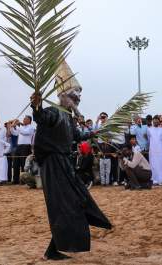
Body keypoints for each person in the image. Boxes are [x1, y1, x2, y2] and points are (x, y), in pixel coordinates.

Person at [30, 60, 111, 260]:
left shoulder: (68, 117)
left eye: (78, 97)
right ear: (63, 96)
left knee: (73, 203)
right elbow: (40, 117)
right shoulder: (52, 112)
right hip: (53, 165)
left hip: (64, 165)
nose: (77, 100)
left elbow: (76, 136)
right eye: (74, 96)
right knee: (63, 205)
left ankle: (53, 249)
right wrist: (36, 104)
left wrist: (93, 132)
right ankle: (52, 251)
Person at [11, 116, 35, 184]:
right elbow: (14, 133)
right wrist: (12, 126)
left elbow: (25, 133)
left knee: (23, 163)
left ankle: (23, 180)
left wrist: (17, 126)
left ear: (29, 120)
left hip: (26, 146)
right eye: (24, 119)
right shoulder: (21, 127)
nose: (24, 120)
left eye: (25, 119)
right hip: (19, 146)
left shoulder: (31, 127)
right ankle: (15, 180)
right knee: (16, 163)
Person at [147, 115, 162, 184]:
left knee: (161, 163)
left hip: (161, 149)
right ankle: (154, 179)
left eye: (157, 120)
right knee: (153, 164)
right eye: (154, 120)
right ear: (152, 121)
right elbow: (149, 140)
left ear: (159, 121)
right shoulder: (149, 129)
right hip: (153, 149)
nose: (155, 122)